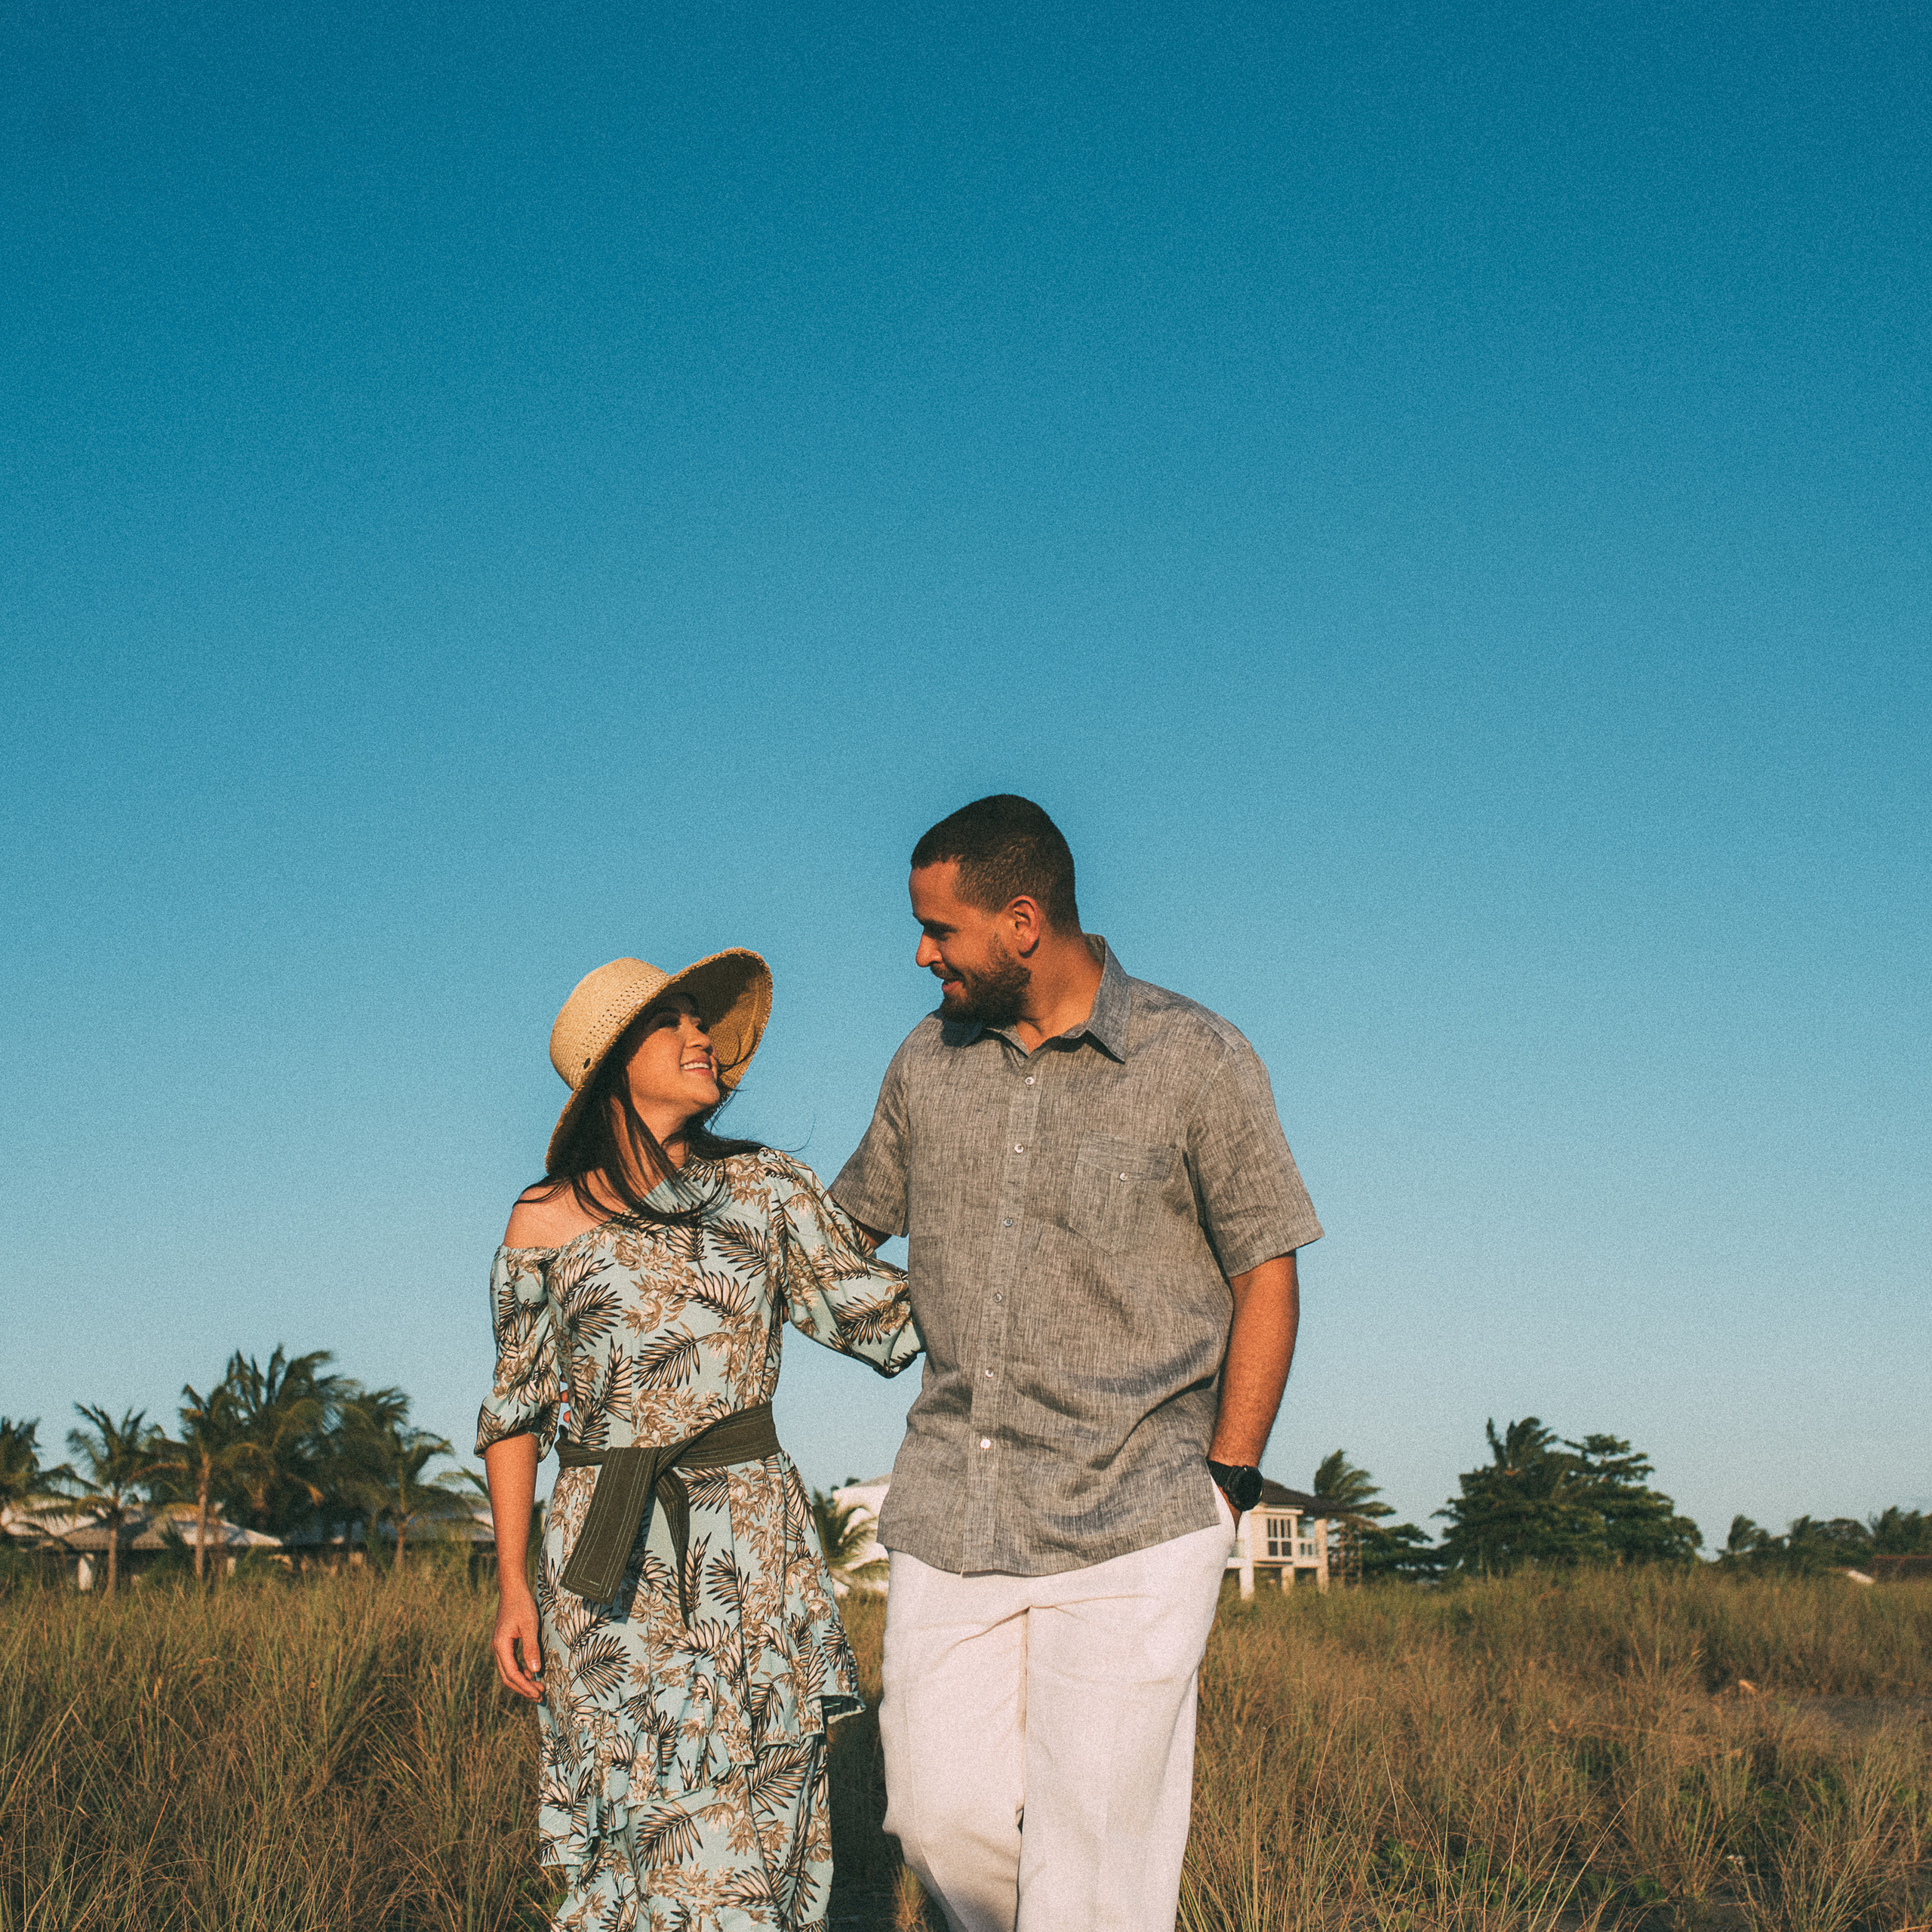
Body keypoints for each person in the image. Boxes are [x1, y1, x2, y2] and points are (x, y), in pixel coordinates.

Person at [832, 795, 1322, 1932]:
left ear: (1019, 923)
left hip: (1138, 1514)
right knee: (938, 1822)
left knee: (1096, 1860)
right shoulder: (924, 1060)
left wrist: (1229, 1481)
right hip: (957, 1504)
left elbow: (1269, 1274)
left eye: (937, 929)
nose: (919, 953)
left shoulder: (1196, 1056)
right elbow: (844, 1237)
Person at [478, 949, 921, 1932]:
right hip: (606, 1563)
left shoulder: (765, 1189)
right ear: (610, 1072)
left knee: (773, 1826)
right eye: (669, 1022)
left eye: (698, 1019)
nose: (698, 1036)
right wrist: (513, 1579)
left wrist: (1026, 1263)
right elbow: (514, 1409)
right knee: (659, 1844)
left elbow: (876, 1317)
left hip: (748, 1543)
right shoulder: (542, 1219)